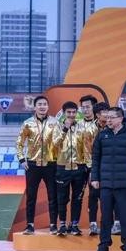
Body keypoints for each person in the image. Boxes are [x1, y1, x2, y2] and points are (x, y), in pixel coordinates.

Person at [91, 107, 126, 251]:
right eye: (107, 118)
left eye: (112, 117)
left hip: (124, 184)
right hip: (106, 184)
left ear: (120, 118)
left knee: (125, 217)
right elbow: (95, 159)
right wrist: (95, 178)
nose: (108, 120)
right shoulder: (102, 135)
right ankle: (104, 245)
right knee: (105, 217)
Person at [16, 95, 58, 235]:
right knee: (31, 197)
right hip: (32, 165)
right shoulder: (27, 123)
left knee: (53, 196)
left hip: (51, 164)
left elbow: (61, 142)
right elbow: (19, 143)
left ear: (48, 106)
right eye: (39, 104)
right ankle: (30, 225)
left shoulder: (55, 122)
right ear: (35, 107)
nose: (42, 106)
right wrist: (22, 160)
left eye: (44, 104)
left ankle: (53, 225)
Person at [52, 101, 89, 236]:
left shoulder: (82, 128)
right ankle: (62, 224)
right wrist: (65, 129)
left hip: (79, 168)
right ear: (63, 113)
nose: (71, 115)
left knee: (77, 198)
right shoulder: (57, 127)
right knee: (62, 198)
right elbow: (54, 145)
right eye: (69, 112)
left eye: (74, 112)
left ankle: (74, 225)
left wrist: (87, 166)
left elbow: (86, 148)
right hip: (63, 168)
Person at [84, 101, 109, 235]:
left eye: (107, 111)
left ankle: (106, 224)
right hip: (94, 168)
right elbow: (88, 151)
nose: (107, 114)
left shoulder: (112, 128)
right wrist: (91, 170)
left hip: (109, 168)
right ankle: (92, 224)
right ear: (98, 115)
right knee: (93, 195)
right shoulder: (89, 129)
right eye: (104, 112)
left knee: (108, 196)